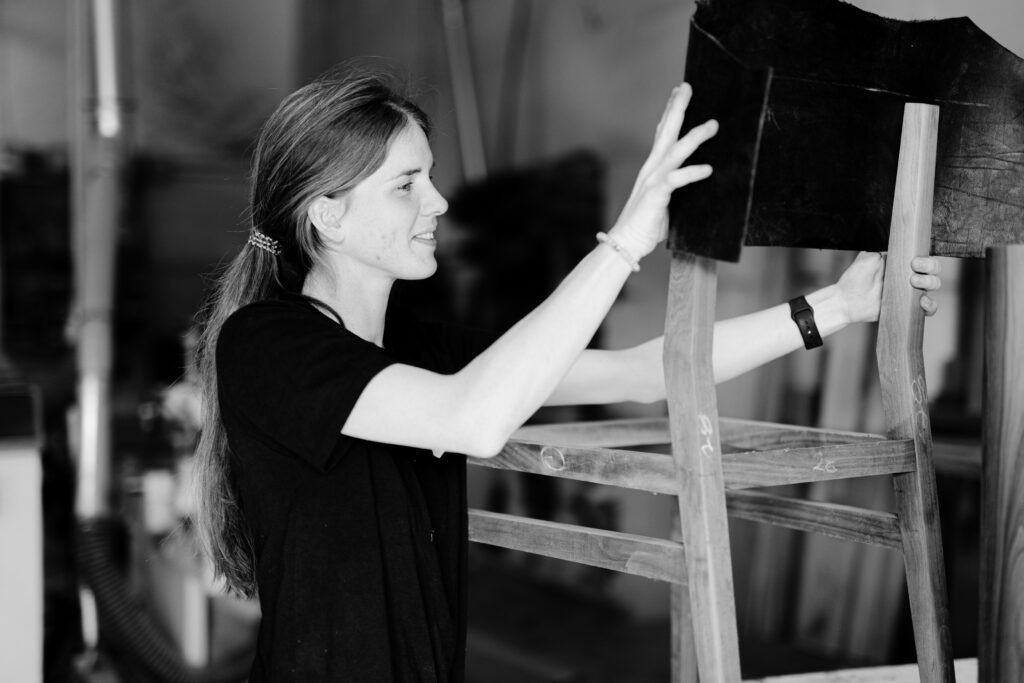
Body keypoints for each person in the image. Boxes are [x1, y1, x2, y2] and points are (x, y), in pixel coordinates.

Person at [192, 67, 941, 682]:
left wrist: (836, 307)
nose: (439, 201)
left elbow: (646, 370)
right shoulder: (265, 344)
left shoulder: (419, 347)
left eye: (431, 178)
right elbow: (471, 419)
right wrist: (622, 245)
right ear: (327, 218)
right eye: (406, 184)